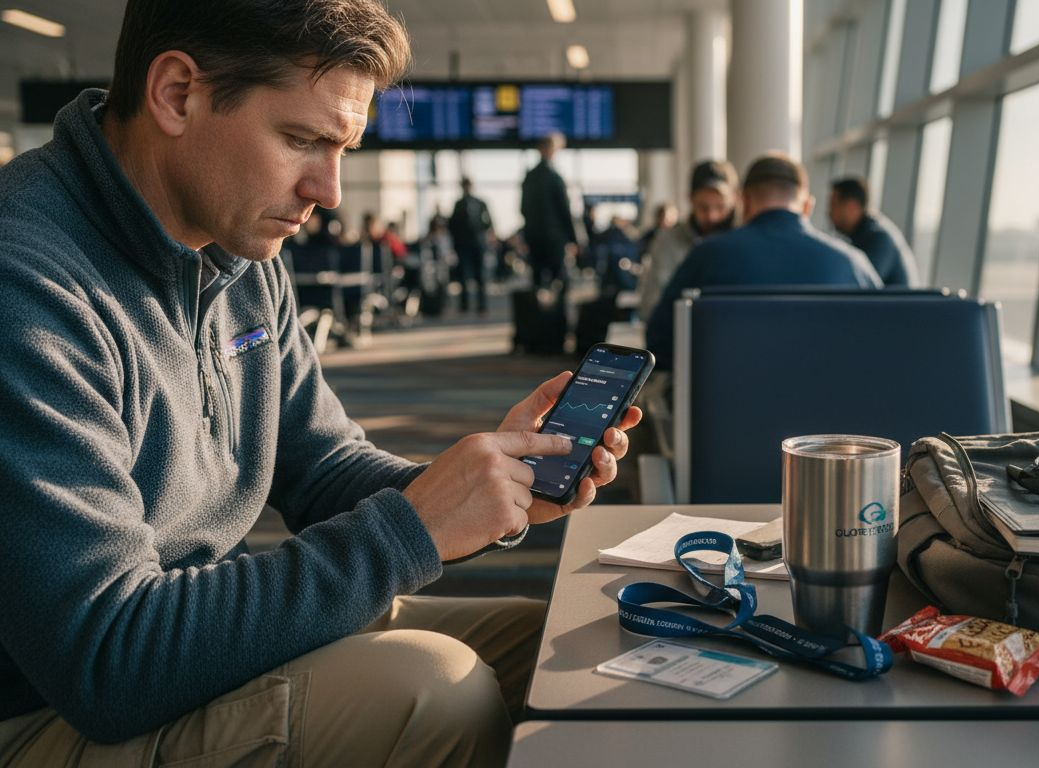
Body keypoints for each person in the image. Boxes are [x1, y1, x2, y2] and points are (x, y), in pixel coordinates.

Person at [0, 2, 640, 766]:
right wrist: (417, 526)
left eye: (344, 148)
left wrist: (481, 487)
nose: (329, 190)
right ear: (176, 94)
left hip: (188, 631)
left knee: (563, 649)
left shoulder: (239, 250)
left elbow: (324, 469)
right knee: (435, 694)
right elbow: (107, 658)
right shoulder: (27, 283)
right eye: (302, 139)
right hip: (54, 705)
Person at [645, 153, 882, 370]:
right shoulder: (853, 263)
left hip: (727, 410)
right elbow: (880, 343)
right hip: (834, 408)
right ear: (808, 205)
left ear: (744, 202)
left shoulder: (706, 256)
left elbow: (659, 340)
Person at [637, 159, 739, 321]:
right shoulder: (668, 241)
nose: (712, 216)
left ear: (735, 199)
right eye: (703, 207)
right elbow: (651, 307)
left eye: (720, 207)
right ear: (690, 199)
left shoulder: (744, 242)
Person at [828, 176, 920, 287]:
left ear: (852, 206)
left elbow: (861, 285)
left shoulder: (879, 238)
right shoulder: (864, 234)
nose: (829, 212)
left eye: (834, 205)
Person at [520, 132, 578, 294]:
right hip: (554, 239)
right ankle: (557, 317)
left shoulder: (529, 177)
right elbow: (564, 210)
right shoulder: (555, 178)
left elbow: (523, 209)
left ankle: (538, 317)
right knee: (559, 281)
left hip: (534, 238)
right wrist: (573, 238)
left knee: (537, 282)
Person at [448, 176, 495, 314]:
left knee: (480, 275)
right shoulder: (459, 204)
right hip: (464, 245)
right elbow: (453, 225)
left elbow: (489, 222)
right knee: (464, 275)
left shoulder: (480, 203)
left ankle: (481, 304)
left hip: (478, 244)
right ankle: (465, 304)